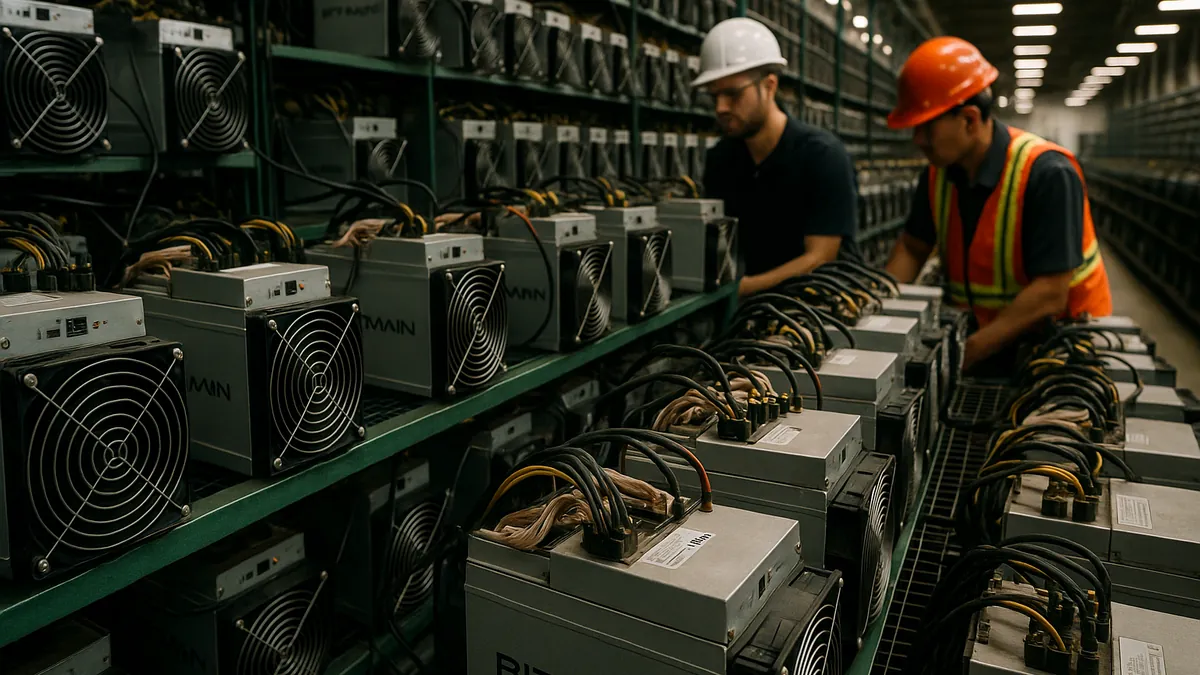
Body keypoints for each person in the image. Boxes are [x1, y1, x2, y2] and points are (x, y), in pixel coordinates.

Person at [883, 37, 1112, 371]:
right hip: (987, 338)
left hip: (1063, 346)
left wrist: (962, 356)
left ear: (970, 120)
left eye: (926, 127)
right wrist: (878, 313)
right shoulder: (938, 173)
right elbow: (913, 248)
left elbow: (1050, 293)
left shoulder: (1047, 173)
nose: (918, 141)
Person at [693, 18, 859, 297]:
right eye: (714, 96)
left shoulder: (822, 156)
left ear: (769, 86)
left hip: (816, 310)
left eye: (733, 94)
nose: (721, 108)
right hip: (749, 315)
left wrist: (739, 291)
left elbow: (820, 258)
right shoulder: (721, 159)